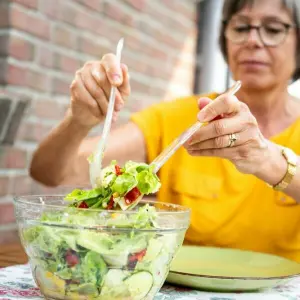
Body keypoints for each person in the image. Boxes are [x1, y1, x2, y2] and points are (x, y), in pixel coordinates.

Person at [30, 0, 300, 262]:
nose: (252, 40)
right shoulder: (180, 118)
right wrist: (78, 121)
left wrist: (268, 160)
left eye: (273, 29)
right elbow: (50, 173)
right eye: (241, 28)